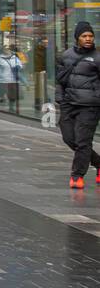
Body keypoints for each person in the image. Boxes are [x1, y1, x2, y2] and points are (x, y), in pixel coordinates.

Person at [57, 22, 100, 189]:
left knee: (83, 140)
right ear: (77, 38)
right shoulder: (65, 56)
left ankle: (77, 176)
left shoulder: (97, 57)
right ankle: (98, 162)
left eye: (90, 36)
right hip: (68, 103)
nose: (88, 39)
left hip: (90, 105)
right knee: (69, 138)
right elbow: (60, 81)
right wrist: (60, 99)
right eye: (84, 36)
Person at [0, 40, 24, 112]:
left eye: (8, 49)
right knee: (2, 92)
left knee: (12, 94)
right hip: (3, 79)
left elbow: (20, 65)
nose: (7, 50)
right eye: (5, 49)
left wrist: (18, 67)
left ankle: (11, 107)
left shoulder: (15, 57)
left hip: (13, 79)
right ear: (3, 50)